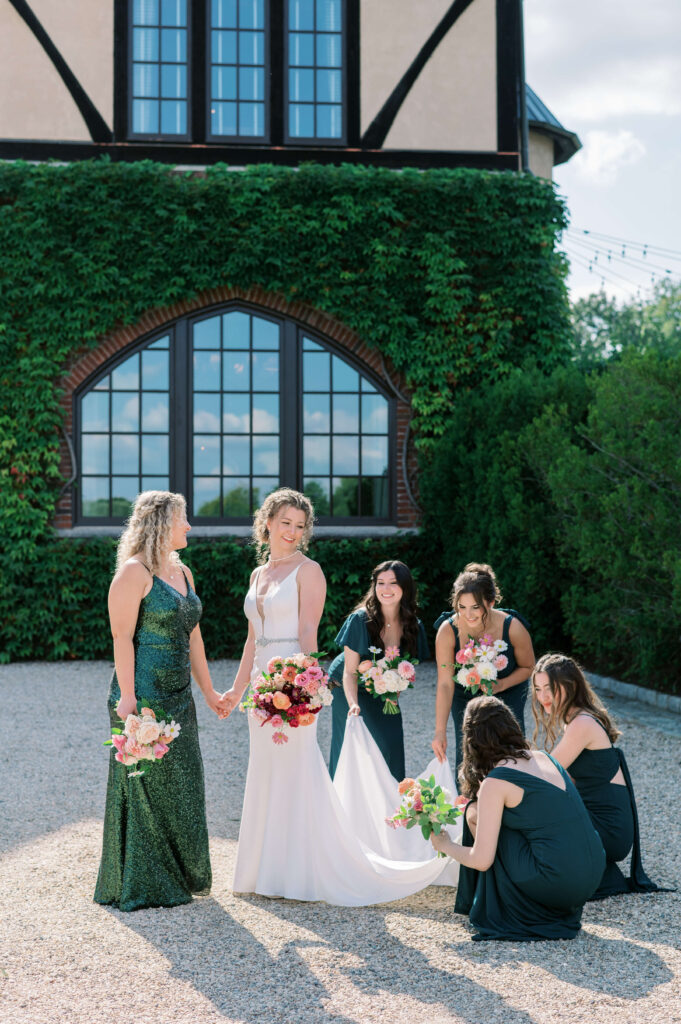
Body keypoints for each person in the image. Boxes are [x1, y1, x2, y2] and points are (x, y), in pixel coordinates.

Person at [218, 488, 458, 904]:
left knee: (298, 772)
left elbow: (308, 635)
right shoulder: (258, 575)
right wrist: (238, 691)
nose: (292, 532)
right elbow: (253, 639)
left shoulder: (308, 571)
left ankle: (302, 872)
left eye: (300, 525)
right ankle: (263, 870)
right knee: (265, 771)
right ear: (268, 523)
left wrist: (303, 689)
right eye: (285, 523)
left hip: (291, 686)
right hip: (261, 688)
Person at [94, 491, 220, 911]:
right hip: (144, 692)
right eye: (183, 519)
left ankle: (179, 872)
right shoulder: (134, 571)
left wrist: (209, 692)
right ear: (162, 523)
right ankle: (145, 881)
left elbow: (194, 634)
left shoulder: (183, 572)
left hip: (180, 694)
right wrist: (128, 697)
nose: (189, 527)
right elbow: (121, 637)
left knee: (182, 781)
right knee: (145, 784)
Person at [431, 695, 605, 941]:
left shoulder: (497, 781)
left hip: (559, 882)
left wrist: (445, 845)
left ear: (472, 742)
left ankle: (499, 908)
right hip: (592, 875)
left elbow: (481, 860)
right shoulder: (546, 757)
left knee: (475, 813)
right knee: (487, 814)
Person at [532, 653, 668, 899]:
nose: (543, 697)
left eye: (549, 688)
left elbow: (548, 771)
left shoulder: (582, 723)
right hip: (599, 821)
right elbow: (563, 781)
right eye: (538, 689)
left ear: (571, 686)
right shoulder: (574, 720)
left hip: (610, 830)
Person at [328, 560, 430, 781]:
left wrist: (394, 691)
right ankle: (339, 801)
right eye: (380, 583)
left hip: (382, 687)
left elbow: (406, 670)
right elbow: (349, 672)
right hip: (347, 683)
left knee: (389, 740)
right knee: (351, 740)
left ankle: (393, 800)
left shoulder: (413, 625)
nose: (386, 589)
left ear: (405, 587)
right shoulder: (360, 619)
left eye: (393, 583)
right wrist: (353, 703)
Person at [432, 563, 534, 773]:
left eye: (475, 607)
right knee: (470, 756)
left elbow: (529, 667)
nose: (468, 615)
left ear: (490, 602)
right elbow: (444, 683)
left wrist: (502, 683)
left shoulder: (513, 627)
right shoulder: (447, 631)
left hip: (508, 692)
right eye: (462, 607)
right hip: (464, 696)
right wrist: (440, 731)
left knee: (510, 753)